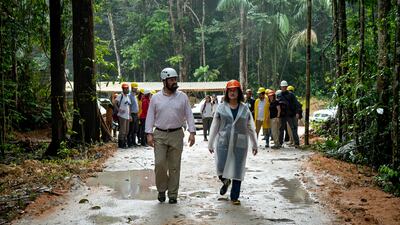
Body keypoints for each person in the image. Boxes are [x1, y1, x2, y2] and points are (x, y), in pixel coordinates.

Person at [145, 67, 196, 204]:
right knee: (160, 164)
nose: (174, 82)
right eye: (171, 80)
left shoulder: (182, 97)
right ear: (164, 81)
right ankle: (161, 190)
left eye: (175, 79)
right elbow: (150, 116)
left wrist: (192, 132)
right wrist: (149, 133)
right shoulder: (156, 98)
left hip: (177, 134)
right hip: (160, 134)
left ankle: (173, 194)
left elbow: (189, 115)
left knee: (174, 166)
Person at [208, 80, 257, 206]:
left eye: (235, 90)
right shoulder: (221, 107)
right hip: (223, 141)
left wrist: (255, 144)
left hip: (239, 142)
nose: (232, 92)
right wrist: (210, 142)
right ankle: (225, 181)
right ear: (226, 92)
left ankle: (234, 196)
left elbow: (250, 126)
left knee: (237, 168)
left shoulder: (244, 108)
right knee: (220, 166)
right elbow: (214, 125)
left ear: (239, 92)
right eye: (230, 90)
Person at [277, 80, 300, 147]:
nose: (283, 88)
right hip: (283, 115)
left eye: (284, 87)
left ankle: (297, 143)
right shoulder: (278, 95)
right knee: (281, 129)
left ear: (286, 87)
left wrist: (297, 112)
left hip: (290, 114)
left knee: (293, 128)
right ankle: (280, 143)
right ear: (281, 87)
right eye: (282, 87)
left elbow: (296, 104)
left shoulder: (291, 95)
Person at [115, 83, 131, 148]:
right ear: (123, 89)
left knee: (127, 131)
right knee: (122, 130)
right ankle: (121, 144)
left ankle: (124, 142)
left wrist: (130, 115)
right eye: (126, 88)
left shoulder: (127, 97)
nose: (127, 89)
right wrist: (119, 109)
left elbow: (129, 106)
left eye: (127, 88)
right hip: (122, 116)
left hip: (127, 116)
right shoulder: (120, 96)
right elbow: (114, 103)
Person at [127, 82, 139, 147]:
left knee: (135, 129)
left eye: (137, 88)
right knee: (131, 129)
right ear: (132, 88)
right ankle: (129, 142)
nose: (136, 89)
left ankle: (134, 142)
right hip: (132, 114)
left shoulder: (135, 96)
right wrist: (130, 115)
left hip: (136, 114)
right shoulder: (129, 96)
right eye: (135, 88)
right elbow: (128, 106)